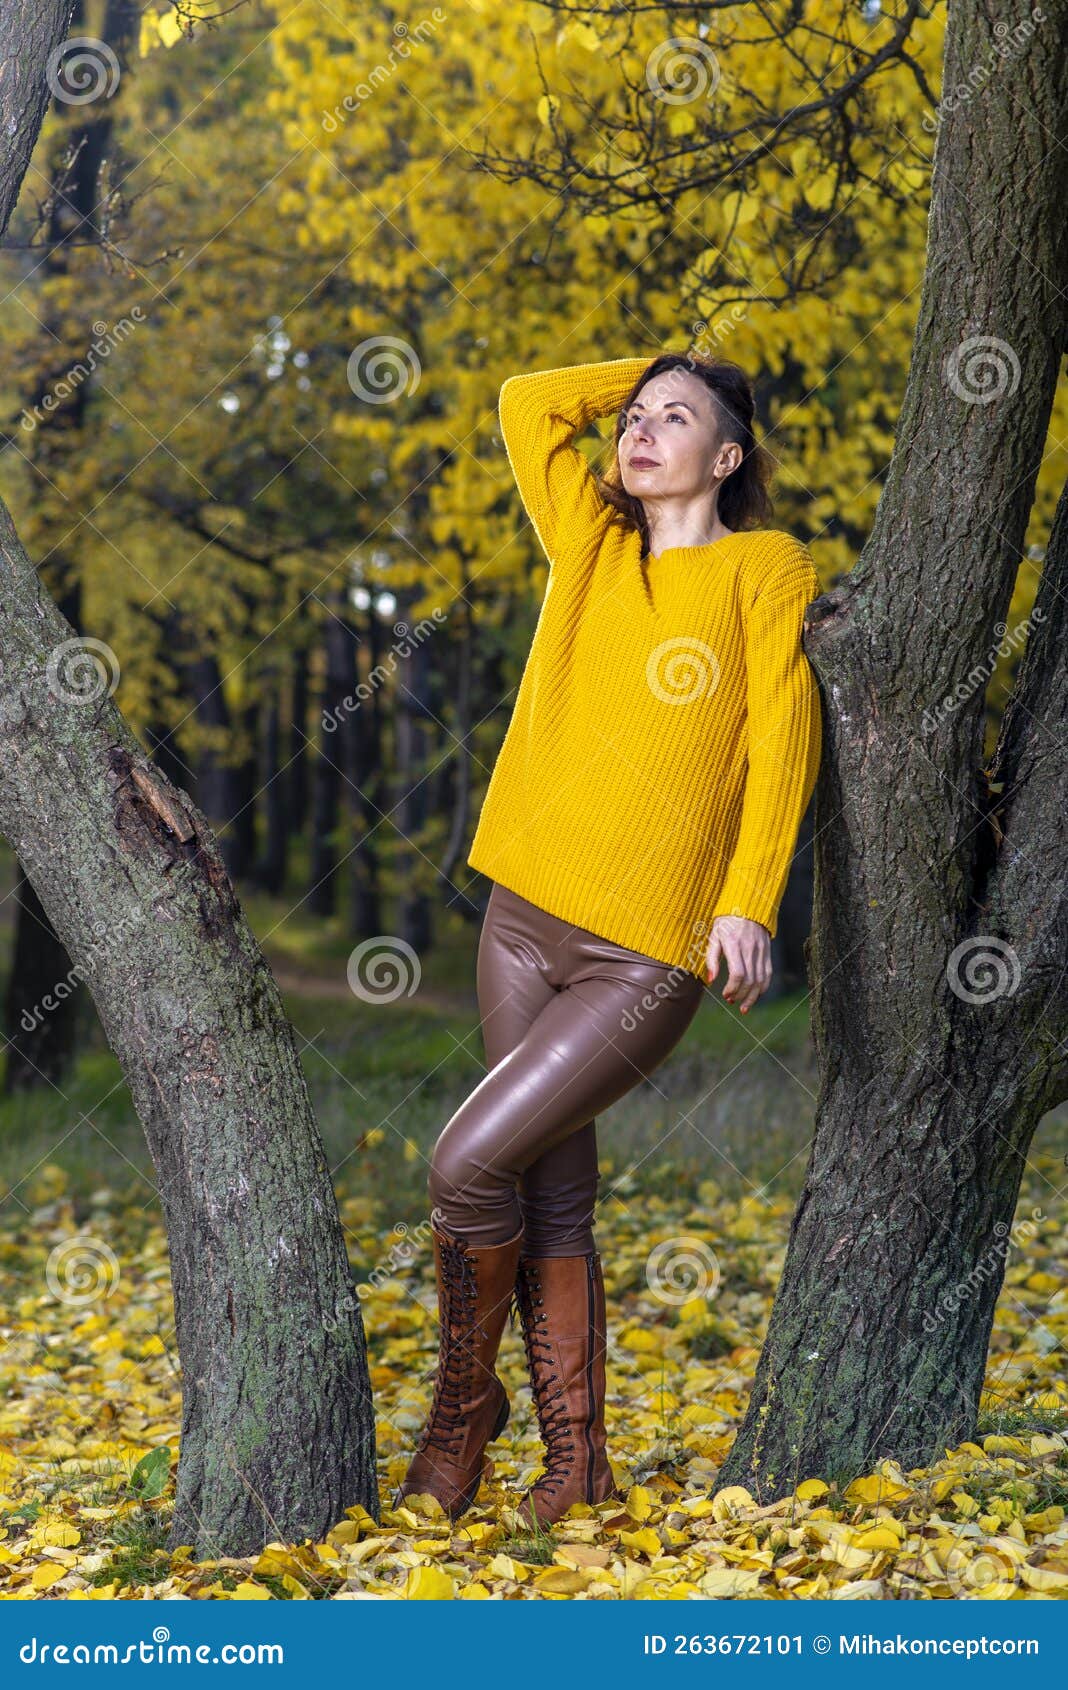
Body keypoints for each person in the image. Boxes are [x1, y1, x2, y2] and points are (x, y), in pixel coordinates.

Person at [395, 351, 823, 1529]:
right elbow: (527, 404)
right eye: (632, 418)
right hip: (522, 915)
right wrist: (655, 365)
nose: (638, 429)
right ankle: (577, 1462)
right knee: (552, 1193)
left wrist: (751, 896)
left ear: (728, 456)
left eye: (674, 419)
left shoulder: (762, 565)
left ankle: (459, 1421)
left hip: (645, 951)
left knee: (463, 1165)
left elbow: (784, 726)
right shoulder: (590, 544)